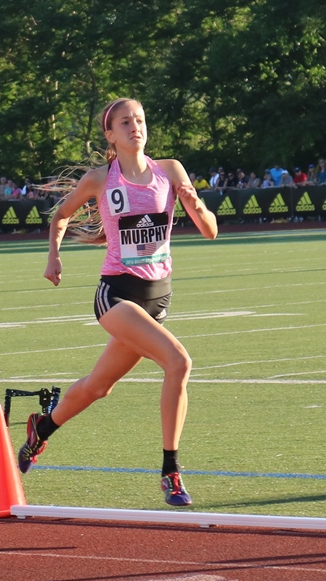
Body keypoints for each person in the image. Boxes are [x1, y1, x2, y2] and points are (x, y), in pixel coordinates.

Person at [18, 98, 218, 507]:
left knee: (98, 387)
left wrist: (196, 206)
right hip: (116, 295)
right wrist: (54, 257)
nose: (135, 127)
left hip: (158, 299)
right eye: (125, 122)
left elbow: (211, 231)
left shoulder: (171, 170)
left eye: (140, 120)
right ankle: (171, 471)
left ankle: (42, 428)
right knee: (178, 362)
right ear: (110, 134)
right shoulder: (100, 179)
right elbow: (61, 217)